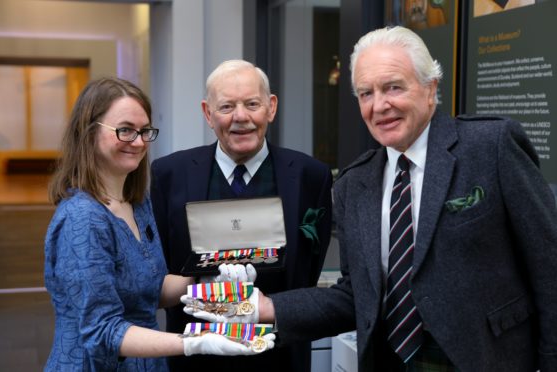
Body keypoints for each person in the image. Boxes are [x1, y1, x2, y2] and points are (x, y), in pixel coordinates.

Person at [195, 26, 557, 370]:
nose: (379, 105)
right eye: (366, 93)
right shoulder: (355, 183)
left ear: (431, 88)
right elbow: (354, 296)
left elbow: (549, 264)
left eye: (393, 87)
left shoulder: (490, 148)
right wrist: (265, 306)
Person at [44, 77, 275, 371]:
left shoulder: (137, 202)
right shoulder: (82, 218)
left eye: (144, 131)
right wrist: (196, 340)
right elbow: (101, 332)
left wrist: (206, 282)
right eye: (125, 130)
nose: (139, 142)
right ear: (88, 132)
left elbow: (151, 289)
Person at [150, 59, 333, 371]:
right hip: (195, 353)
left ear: (271, 107)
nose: (241, 117)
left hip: (281, 354)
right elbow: (160, 266)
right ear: (208, 113)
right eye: (226, 107)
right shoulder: (169, 174)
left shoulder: (310, 176)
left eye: (252, 104)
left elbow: (308, 268)